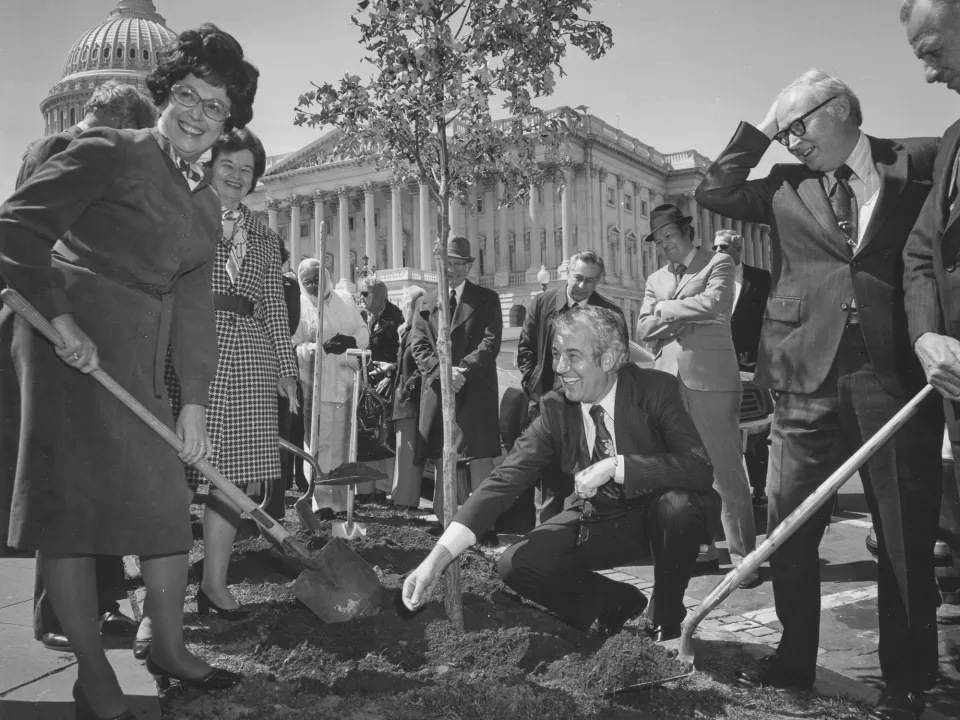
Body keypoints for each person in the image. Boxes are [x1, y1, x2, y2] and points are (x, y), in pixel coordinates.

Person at [0, 24, 256, 719]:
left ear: (230, 120)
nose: (200, 114)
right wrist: (62, 321)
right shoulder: (110, 149)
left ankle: (167, 647)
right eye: (189, 96)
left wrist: (195, 401)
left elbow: (196, 307)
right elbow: (15, 229)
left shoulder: (206, 203)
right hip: (65, 344)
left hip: (139, 352)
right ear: (165, 93)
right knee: (73, 514)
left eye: (217, 107)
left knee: (163, 505)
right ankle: (92, 674)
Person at [696, 69, 942, 718]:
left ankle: (910, 676)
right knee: (791, 525)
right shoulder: (782, 185)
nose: (792, 141)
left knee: (901, 533)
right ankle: (794, 656)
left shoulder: (918, 159)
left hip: (891, 372)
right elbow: (713, 188)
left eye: (800, 126)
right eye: (785, 132)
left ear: (841, 111)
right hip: (802, 377)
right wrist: (765, 124)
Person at [402, 306, 718, 642]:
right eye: (555, 354)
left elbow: (699, 467)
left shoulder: (655, 389)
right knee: (515, 564)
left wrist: (618, 466)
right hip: (600, 518)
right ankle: (616, 604)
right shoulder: (555, 408)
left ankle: (664, 618)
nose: (559, 367)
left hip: (659, 515)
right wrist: (436, 559)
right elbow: (504, 480)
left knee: (678, 505)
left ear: (609, 359)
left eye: (572, 355)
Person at [0, 81, 157, 655]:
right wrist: (63, 318)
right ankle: (58, 611)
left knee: (96, 475)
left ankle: (98, 597)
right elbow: (25, 244)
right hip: (54, 331)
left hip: (88, 331)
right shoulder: (59, 151)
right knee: (63, 481)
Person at [165, 127, 299, 618]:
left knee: (234, 483)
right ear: (208, 165)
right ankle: (163, 602)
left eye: (247, 170)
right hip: (189, 350)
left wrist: (286, 370)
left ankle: (214, 585)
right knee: (178, 480)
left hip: (249, 358)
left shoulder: (264, 234)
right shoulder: (181, 214)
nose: (238, 177)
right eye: (229, 166)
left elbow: (273, 308)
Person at [637, 205, 759, 590]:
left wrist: (666, 309)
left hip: (710, 381)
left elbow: (717, 304)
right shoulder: (655, 277)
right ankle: (699, 550)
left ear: (687, 232)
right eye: (659, 241)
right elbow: (642, 329)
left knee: (725, 473)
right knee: (678, 473)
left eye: (669, 237)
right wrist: (685, 314)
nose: (665, 246)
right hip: (667, 382)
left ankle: (744, 560)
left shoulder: (717, 263)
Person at [901, 0, 960, 662]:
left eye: (932, 51)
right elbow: (922, 257)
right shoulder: (950, 143)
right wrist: (925, 335)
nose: (926, 74)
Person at [517, 250, 623, 524]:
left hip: (590, 411)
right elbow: (526, 350)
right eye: (578, 277)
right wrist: (535, 387)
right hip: (549, 408)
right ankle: (545, 544)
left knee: (590, 484)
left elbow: (618, 363)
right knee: (549, 486)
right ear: (567, 273)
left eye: (590, 281)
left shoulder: (609, 313)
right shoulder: (542, 303)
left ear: (598, 281)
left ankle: (584, 546)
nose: (582, 285)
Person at [411, 236, 503, 524]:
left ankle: (480, 523)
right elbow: (419, 346)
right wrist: (445, 373)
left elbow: (490, 342)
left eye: (457, 264)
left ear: (468, 267)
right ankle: (444, 520)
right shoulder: (425, 302)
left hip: (474, 389)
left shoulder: (488, 299)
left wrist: (461, 371)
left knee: (479, 460)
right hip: (440, 389)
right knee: (442, 458)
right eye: (446, 264)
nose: (451, 270)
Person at [291, 260, 369, 513]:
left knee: (345, 443)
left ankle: (344, 502)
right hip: (316, 386)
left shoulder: (345, 299)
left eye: (317, 278)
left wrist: (350, 340)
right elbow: (292, 343)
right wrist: (315, 350)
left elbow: (363, 331)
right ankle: (321, 503)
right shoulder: (300, 305)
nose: (314, 284)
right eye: (308, 281)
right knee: (320, 444)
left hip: (346, 383)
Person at [713, 228, 773, 505]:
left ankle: (759, 487)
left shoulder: (761, 279)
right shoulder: (708, 280)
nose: (717, 253)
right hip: (717, 366)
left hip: (751, 365)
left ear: (738, 250)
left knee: (755, 430)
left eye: (723, 247)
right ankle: (726, 488)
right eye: (715, 247)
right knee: (723, 429)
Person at [357, 273, 404, 499]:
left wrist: (391, 369)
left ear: (379, 295)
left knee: (385, 434)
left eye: (366, 293)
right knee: (367, 433)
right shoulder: (362, 316)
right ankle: (369, 486)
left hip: (387, 382)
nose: (361, 297)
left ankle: (384, 488)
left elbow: (402, 352)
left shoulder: (396, 318)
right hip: (367, 382)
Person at [390, 285, 427, 508]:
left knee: (409, 452)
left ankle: (406, 498)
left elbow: (419, 365)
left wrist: (408, 388)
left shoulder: (417, 331)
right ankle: (400, 495)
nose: (402, 307)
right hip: (404, 399)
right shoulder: (407, 331)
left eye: (404, 302)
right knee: (403, 450)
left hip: (410, 400)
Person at [276, 240, 304, 494]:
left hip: (279, 361)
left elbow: (289, 325)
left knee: (282, 428)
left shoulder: (288, 284)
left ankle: (279, 488)